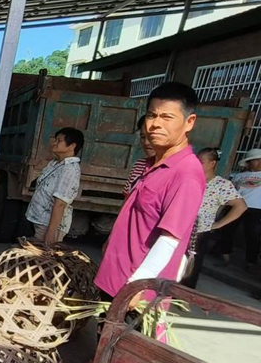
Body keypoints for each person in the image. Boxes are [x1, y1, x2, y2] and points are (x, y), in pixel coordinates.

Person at [96, 82, 205, 304]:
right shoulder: (150, 164)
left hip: (136, 291)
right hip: (114, 278)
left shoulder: (186, 173)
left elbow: (169, 239)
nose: (155, 124)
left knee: (128, 339)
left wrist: (138, 285)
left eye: (167, 117)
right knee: (103, 337)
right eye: (151, 115)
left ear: (189, 122)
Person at [180, 148, 246, 288]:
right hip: (179, 228)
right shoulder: (188, 179)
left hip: (199, 232)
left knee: (191, 267)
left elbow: (240, 206)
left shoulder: (221, 185)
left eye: (201, 162)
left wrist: (218, 224)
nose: (197, 164)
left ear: (212, 163)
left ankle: (183, 296)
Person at [25, 127, 84, 244]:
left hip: (48, 224)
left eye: (59, 140)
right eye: (55, 140)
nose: (54, 143)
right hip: (40, 220)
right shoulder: (55, 163)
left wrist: (51, 233)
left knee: (42, 257)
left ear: (72, 146)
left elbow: (60, 204)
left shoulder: (70, 169)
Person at [225, 148, 261, 269]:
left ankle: (251, 262)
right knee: (228, 230)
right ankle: (225, 257)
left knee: (253, 236)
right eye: (256, 160)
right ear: (249, 162)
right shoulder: (238, 176)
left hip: (256, 209)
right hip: (237, 206)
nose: (259, 163)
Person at [123, 115, 154, 197]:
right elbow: (127, 198)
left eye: (152, 137)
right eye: (143, 137)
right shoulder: (139, 165)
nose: (146, 143)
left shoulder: (173, 170)